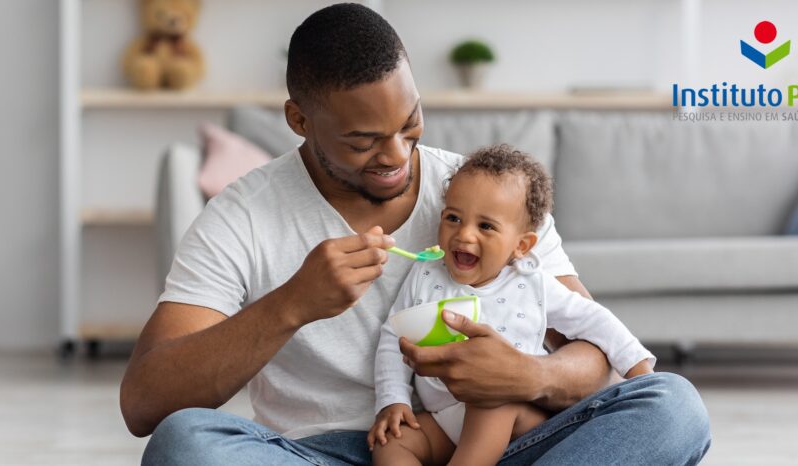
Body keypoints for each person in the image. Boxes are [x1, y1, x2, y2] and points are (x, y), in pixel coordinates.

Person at [124, 3, 711, 465]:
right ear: (299, 120)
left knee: (673, 407)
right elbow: (145, 403)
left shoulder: (483, 194)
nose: (396, 156)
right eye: (363, 141)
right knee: (187, 444)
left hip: (501, 439)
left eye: (409, 125)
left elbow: (593, 353)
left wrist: (527, 375)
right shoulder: (242, 217)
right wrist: (291, 305)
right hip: (318, 453)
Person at [369, 145, 656, 466]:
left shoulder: (532, 283)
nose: (463, 234)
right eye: (453, 217)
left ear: (521, 245)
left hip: (513, 417)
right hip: (444, 420)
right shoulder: (425, 273)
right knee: (392, 441)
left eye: (486, 226)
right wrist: (393, 401)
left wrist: (639, 371)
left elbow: (594, 320)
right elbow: (394, 338)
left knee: (491, 400)